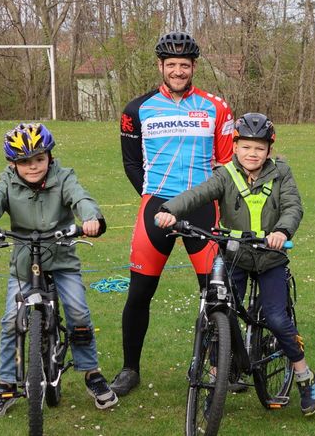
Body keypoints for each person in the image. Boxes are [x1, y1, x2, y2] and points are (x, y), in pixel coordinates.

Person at [152, 113, 315, 416]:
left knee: (277, 319)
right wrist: (170, 209)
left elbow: (293, 206)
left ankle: (303, 375)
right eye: (245, 147)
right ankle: (215, 381)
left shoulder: (281, 173)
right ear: (235, 147)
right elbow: (197, 194)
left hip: (270, 258)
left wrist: (282, 231)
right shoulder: (226, 174)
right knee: (218, 312)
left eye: (259, 148)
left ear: (269, 150)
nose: (252, 154)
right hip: (234, 256)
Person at [113, 31, 235, 395]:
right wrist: (156, 201)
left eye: (185, 65)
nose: (178, 71)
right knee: (139, 293)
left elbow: (227, 163)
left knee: (216, 293)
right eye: (172, 65)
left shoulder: (217, 107)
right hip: (157, 208)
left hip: (202, 206)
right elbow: (132, 163)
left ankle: (222, 364)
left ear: (194, 66)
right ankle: (130, 369)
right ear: (160, 66)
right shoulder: (137, 109)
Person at [0, 123, 117, 416]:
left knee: (77, 312)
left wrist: (90, 218)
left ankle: (91, 373)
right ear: (13, 164)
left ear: (49, 156)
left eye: (39, 158)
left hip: (62, 258)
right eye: (24, 161)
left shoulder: (63, 177)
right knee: (12, 319)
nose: (33, 166)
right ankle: (7, 383)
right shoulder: (7, 183)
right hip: (24, 264)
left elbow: (80, 197)